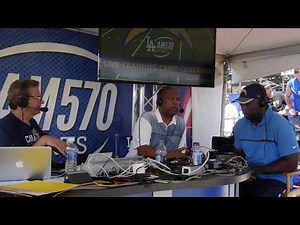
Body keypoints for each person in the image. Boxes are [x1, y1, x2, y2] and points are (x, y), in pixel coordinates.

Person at [233, 83, 299, 197]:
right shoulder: (239, 126)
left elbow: (292, 163)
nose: (243, 108)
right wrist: (244, 171)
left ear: (262, 103)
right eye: (241, 104)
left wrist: (258, 170)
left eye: (247, 104)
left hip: (276, 181)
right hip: (248, 178)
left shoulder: (281, 126)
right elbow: (239, 154)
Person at [0, 79, 66, 156]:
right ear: (22, 100)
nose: (42, 102)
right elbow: (11, 162)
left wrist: (64, 147)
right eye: (38, 97)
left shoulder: (32, 122)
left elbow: (46, 140)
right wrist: (42, 141)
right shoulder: (3, 127)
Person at [126, 86, 189, 159]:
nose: (176, 102)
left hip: (166, 167)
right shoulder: (147, 118)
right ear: (160, 101)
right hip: (137, 167)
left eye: (177, 99)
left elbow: (180, 151)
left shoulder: (181, 123)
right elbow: (143, 150)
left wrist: (183, 154)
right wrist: (170, 154)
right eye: (172, 99)